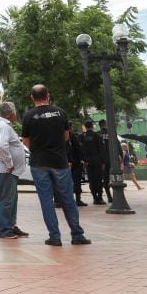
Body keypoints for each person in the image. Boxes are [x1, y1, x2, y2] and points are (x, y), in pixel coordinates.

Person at [21, 84, 90, 246]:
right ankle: (77, 234)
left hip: (39, 162)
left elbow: (25, 140)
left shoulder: (28, 116)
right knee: (67, 198)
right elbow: (66, 136)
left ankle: (55, 236)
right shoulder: (60, 112)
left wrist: (38, 148)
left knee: (46, 200)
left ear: (32, 98)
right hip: (60, 161)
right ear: (48, 95)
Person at [0, 102, 28, 239]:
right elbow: (2, 146)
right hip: (6, 170)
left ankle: (11, 226)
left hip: (9, 170)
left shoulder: (3, 125)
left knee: (11, 200)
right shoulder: (3, 126)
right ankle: (4, 230)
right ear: (11, 113)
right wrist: (9, 163)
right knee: (7, 200)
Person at [80, 121, 105, 205]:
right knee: (98, 179)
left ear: (85, 127)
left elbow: (81, 149)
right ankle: (100, 197)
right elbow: (101, 148)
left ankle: (94, 197)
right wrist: (103, 161)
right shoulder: (97, 136)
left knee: (91, 180)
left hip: (88, 162)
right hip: (97, 160)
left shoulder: (82, 136)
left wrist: (84, 160)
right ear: (92, 126)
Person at [67, 127, 87, 207]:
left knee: (68, 183)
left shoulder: (61, 136)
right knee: (76, 182)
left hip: (67, 163)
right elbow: (79, 149)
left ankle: (71, 200)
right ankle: (77, 200)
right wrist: (83, 159)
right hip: (75, 163)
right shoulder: (73, 137)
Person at [97, 119, 112, 202]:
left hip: (102, 160)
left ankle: (108, 196)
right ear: (105, 124)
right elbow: (116, 144)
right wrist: (120, 155)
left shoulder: (98, 134)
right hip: (112, 159)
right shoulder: (111, 132)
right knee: (115, 177)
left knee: (104, 178)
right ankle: (111, 196)